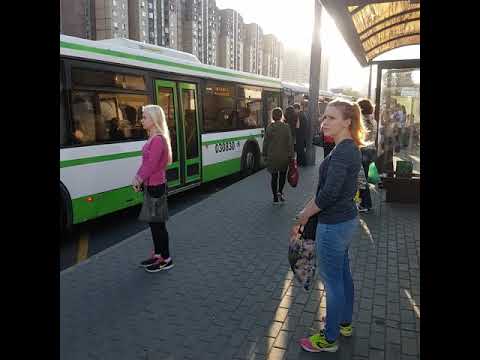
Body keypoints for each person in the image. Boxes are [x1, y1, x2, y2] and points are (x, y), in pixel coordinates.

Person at [292, 99, 364, 353]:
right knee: (343, 275)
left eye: (331, 118)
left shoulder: (344, 151)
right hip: (343, 222)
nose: (324, 122)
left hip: (333, 225)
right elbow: (327, 190)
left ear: (347, 122)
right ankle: (343, 323)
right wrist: (308, 210)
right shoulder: (345, 147)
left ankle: (329, 338)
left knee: (332, 282)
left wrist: (304, 214)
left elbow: (328, 194)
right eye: (324, 117)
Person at [133, 105, 174, 273]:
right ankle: (157, 254)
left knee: (158, 225)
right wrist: (141, 180)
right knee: (154, 225)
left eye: (144, 117)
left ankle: (166, 258)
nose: (141, 120)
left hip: (156, 187)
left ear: (154, 120)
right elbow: (147, 164)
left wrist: (138, 178)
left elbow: (150, 164)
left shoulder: (158, 139)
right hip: (151, 186)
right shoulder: (153, 137)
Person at [262, 107, 294, 204]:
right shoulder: (286, 127)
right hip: (284, 157)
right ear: (281, 116)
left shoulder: (269, 127)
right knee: (283, 175)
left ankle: (275, 198)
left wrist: (264, 155)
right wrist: (291, 155)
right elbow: (290, 142)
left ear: (272, 116)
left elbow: (265, 143)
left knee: (274, 177)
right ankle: (280, 191)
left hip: (272, 157)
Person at [356, 98, 377, 213]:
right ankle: (363, 202)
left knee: (361, 179)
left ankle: (366, 204)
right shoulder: (373, 121)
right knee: (363, 179)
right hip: (371, 151)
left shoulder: (361, 121)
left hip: (363, 151)